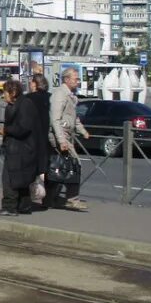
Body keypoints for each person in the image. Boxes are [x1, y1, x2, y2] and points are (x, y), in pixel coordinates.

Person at [0, 79, 39, 217]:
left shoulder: (24, 105)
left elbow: (23, 128)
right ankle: (24, 206)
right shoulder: (16, 104)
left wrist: (6, 130)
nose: (3, 96)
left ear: (13, 92)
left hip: (20, 148)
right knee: (21, 178)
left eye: (5, 93)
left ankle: (9, 207)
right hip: (18, 147)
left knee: (10, 179)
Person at [49, 67, 90, 211]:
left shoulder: (71, 95)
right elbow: (55, 119)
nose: (78, 81)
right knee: (74, 165)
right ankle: (72, 199)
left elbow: (73, 117)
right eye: (76, 79)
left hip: (67, 135)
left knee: (60, 167)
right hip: (60, 135)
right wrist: (61, 141)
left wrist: (83, 131)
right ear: (66, 79)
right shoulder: (60, 94)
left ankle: (50, 197)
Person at [26, 73, 52, 207]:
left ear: (35, 84)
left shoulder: (29, 98)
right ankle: (48, 197)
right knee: (44, 167)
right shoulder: (49, 97)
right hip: (46, 136)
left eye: (31, 82)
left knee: (29, 168)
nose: (30, 84)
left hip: (31, 137)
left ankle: (28, 198)